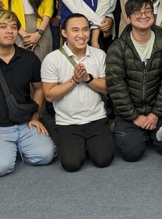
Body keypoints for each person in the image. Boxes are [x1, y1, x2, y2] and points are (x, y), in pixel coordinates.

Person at [0, 10, 55, 176]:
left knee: (45, 155)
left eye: (14, 27)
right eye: (3, 27)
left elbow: (39, 89)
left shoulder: (29, 58)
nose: (9, 31)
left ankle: (17, 145)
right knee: (0, 167)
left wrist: (35, 117)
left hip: (25, 122)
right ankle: (6, 148)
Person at [107, 0, 162, 162]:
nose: (143, 15)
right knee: (132, 154)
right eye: (137, 12)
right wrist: (134, 117)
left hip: (158, 111)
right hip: (129, 113)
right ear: (128, 18)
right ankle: (135, 130)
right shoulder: (118, 47)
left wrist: (155, 114)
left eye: (147, 11)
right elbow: (117, 87)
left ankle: (149, 129)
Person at [41, 14, 112, 172]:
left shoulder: (99, 55)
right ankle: (77, 145)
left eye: (85, 30)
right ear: (64, 33)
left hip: (96, 118)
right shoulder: (52, 59)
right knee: (71, 165)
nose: (81, 35)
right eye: (75, 30)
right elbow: (49, 95)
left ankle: (91, 144)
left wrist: (87, 79)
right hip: (68, 122)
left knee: (104, 160)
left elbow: (107, 88)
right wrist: (74, 80)